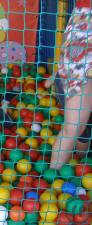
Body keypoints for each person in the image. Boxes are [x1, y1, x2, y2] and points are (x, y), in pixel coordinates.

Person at [45, 0, 92, 169]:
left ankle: (80, 166)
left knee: (82, 130)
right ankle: (53, 178)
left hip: (76, 64)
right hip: (80, 65)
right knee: (74, 128)